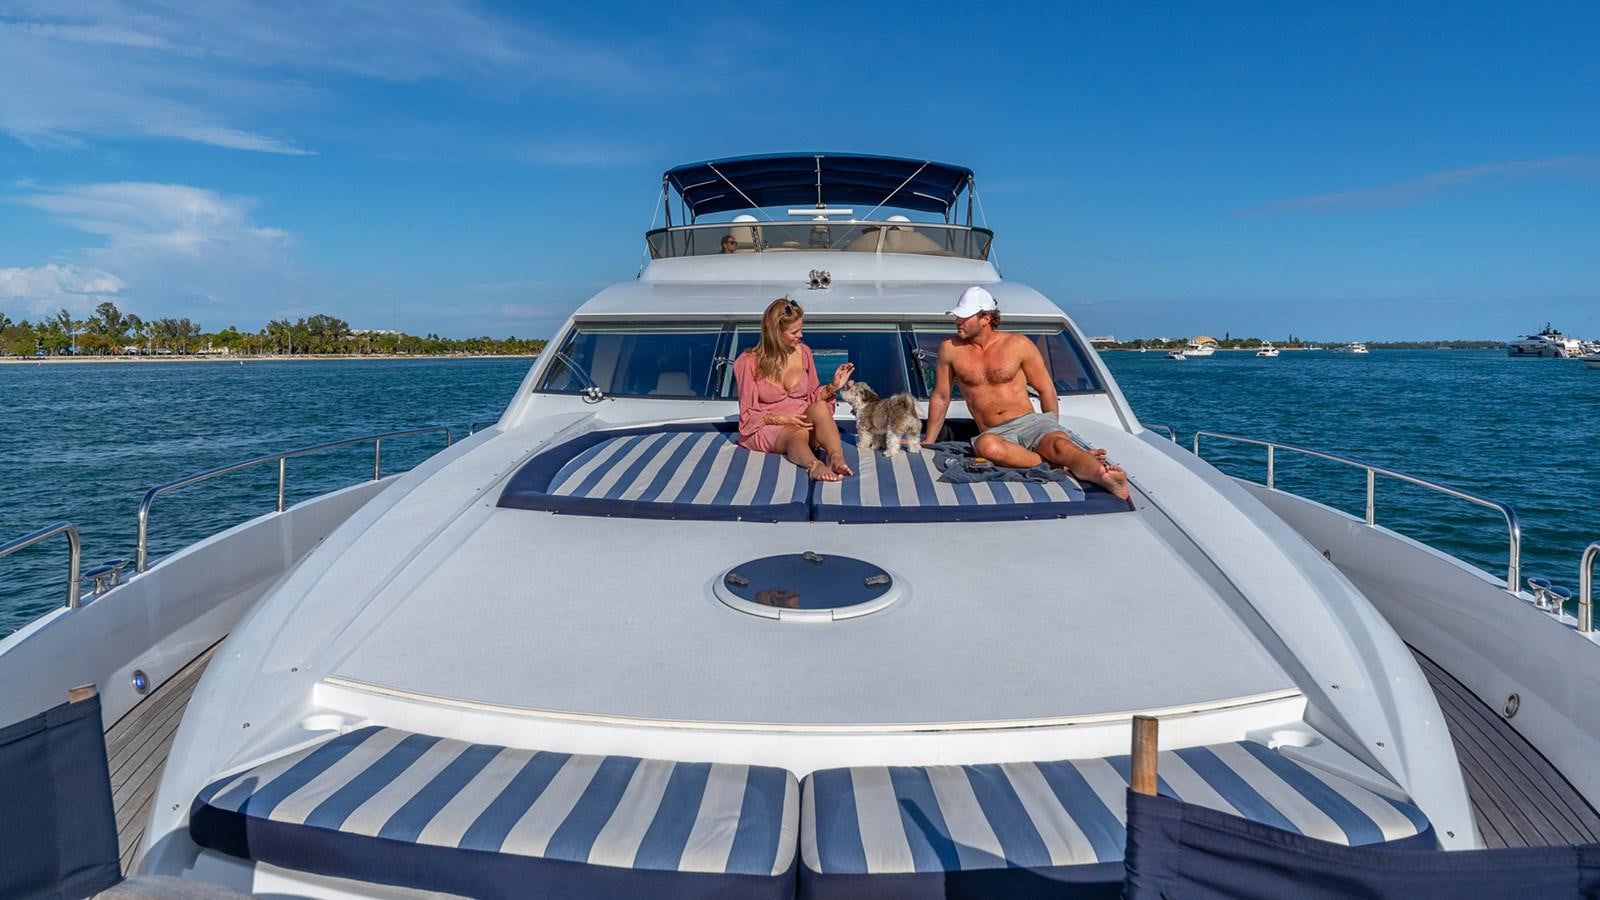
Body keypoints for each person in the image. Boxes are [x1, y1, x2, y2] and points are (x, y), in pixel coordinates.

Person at [922, 286, 1131, 500]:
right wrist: (929, 440)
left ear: (985, 318)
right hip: (995, 433)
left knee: (1060, 445)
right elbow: (941, 396)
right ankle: (1054, 463)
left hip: (1031, 422)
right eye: (958, 316)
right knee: (986, 447)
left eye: (964, 316)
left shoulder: (1018, 344)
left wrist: (1053, 426)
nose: (957, 320)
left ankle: (1105, 478)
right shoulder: (950, 349)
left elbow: (1046, 389)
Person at [734, 297, 855, 481]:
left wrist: (833, 387)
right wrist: (782, 419)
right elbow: (747, 415)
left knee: (821, 408)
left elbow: (813, 397)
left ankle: (835, 457)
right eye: (794, 332)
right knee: (796, 432)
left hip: (801, 419)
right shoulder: (748, 363)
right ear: (775, 333)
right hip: (766, 426)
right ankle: (814, 465)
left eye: (801, 329)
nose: (801, 335)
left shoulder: (803, 352)